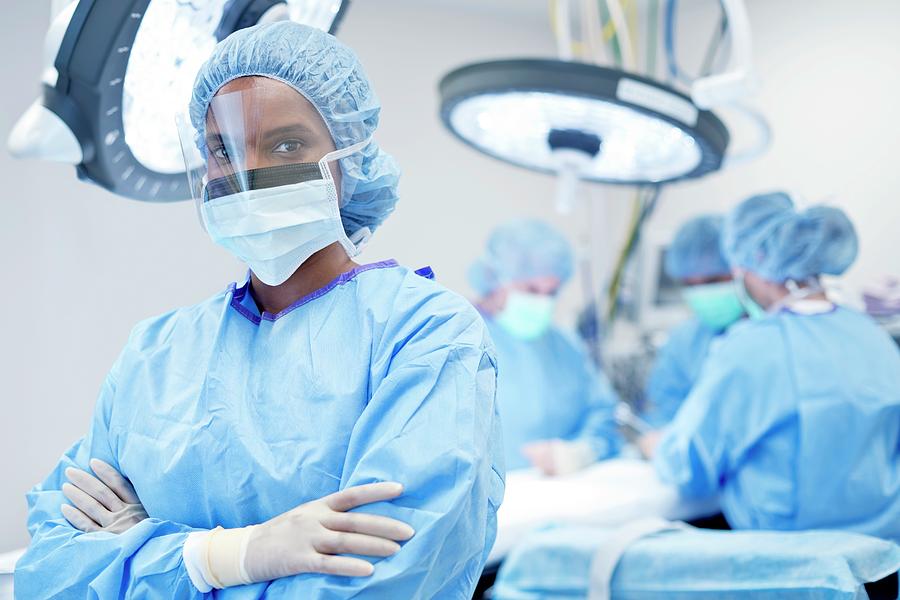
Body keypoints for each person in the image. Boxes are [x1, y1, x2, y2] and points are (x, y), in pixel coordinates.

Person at [15, 22, 504, 598]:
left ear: (350, 159)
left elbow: (385, 581)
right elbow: (51, 570)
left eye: (287, 144)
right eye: (223, 148)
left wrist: (144, 555)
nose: (249, 172)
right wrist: (224, 557)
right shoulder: (157, 352)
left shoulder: (424, 335)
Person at [640, 192, 900, 541]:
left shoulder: (751, 347)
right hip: (882, 560)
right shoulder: (871, 335)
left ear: (754, 264)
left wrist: (660, 448)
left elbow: (692, 467)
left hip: (792, 566)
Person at [470, 219, 621, 476]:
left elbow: (602, 414)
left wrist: (582, 451)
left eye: (552, 292)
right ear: (493, 279)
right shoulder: (460, 343)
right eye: (531, 289)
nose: (542, 301)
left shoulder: (565, 345)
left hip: (560, 496)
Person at [642, 215, 744, 427]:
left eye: (713, 280)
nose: (703, 293)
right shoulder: (684, 341)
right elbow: (664, 411)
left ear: (739, 271)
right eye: (690, 284)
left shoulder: (769, 337)